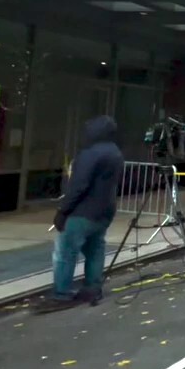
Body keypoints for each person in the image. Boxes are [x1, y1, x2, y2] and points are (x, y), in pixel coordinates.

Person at [39, 115, 124, 312]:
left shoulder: (90, 153)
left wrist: (63, 211)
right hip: (105, 210)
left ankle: (62, 294)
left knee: (65, 252)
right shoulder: (115, 153)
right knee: (95, 249)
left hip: (82, 211)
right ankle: (92, 288)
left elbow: (78, 186)